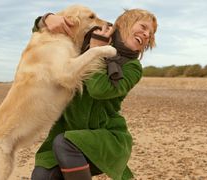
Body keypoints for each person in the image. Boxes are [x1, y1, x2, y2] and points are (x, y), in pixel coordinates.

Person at [31, 8, 158, 180]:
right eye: (143, 26)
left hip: (105, 137)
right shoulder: (92, 34)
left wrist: (96, 51)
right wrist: (46, 19)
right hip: (67, 129)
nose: (146, 34)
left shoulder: (133, 67)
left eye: (150, 34)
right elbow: (46, 34)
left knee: (65, 143)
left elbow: (100, 89)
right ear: (125, 23)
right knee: (41, 175)